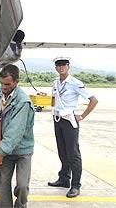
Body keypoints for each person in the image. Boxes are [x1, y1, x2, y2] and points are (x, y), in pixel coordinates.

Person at [48, 57, 98, 198]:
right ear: (56, 68)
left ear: (68, 66)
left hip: (70, 120)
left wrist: (82, 116)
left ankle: (76, 185)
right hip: (58, 119)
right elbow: (54, 99)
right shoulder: (56, 82)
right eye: (58, 65)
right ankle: (64, 179)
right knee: (62, 151)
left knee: (73, 154)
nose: (61, 67)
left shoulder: (75, 83)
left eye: (63, 65)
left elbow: (93, 100)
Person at [0, 64, 35, 208]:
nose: (3, 87)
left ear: (16, 82)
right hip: (5, 148)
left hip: (22, 150)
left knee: (22, 186)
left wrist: (0, 152)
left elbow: (15, 131)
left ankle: (20, 205)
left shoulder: (23, 102)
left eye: (7, 84)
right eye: (1, 83)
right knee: (4, 184)